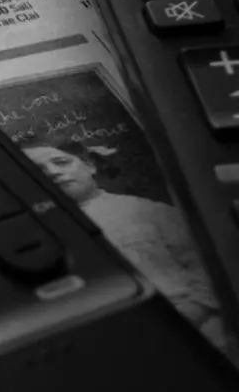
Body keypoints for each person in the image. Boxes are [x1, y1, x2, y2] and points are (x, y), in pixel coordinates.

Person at [20, 139, 226, 350]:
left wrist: (195, 309)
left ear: (89, 166)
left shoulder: (147, 211)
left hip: (196, 327)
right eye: (39, 170)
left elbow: (209, 263)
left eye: (61, 162)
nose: (54, 172)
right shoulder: (38, 238)